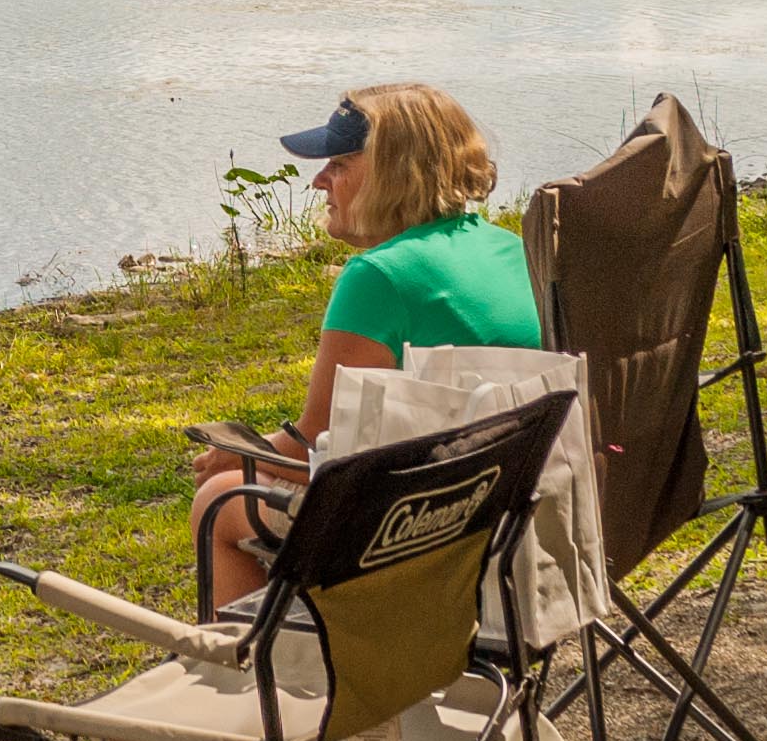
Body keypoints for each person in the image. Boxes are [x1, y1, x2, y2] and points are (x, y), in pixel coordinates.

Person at [187, 82, 539, 611]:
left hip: (426, 525)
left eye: (339, 166)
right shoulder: (512, 248)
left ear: (394, 177)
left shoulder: (379, 276)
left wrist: (237, 455)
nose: (319, 181)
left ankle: (244, 673)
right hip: (522, 509)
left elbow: (314, 444)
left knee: (221, 498)